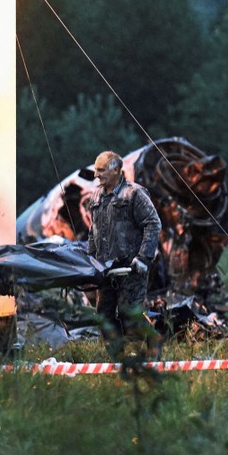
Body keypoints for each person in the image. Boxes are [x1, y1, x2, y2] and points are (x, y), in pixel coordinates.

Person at [87, 150, 162, 358]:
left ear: (116, 170)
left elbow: (153, 224)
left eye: (101, 170)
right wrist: (89, 261)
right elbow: (92, 231)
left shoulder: (134, 193)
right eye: (95, 170)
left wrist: (144, 257)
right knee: (104, 316)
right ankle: (118, 361)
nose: (96, 175)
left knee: (129, 313)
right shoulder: (96, 197)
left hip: (132, 268)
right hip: (106, 269)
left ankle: (153, 343)